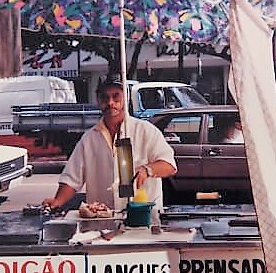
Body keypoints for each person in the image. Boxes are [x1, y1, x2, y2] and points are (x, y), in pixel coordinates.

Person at [43, 73, 177, 212]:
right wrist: (57, 201)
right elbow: (71, 178)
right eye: (104, 97)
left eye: (116, 96)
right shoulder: (89, 139)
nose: (110, 102)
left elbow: (169, 165)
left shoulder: (146, 131)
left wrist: (147, 170)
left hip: (143, 216)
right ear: (98, 100)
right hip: (102, 218)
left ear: (126, 98)